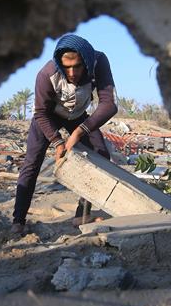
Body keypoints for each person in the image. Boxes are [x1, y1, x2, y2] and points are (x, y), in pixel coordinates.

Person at [11, 33, 118, 235]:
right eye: (66, 67)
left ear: (86, 61)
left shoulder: (98, 62)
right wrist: (57, 141)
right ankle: (18, 219)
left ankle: (82, 214)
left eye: (77, 66)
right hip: (48, 117)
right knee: (32, 163)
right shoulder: (46, 74)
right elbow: (40, 112)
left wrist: (79, 132)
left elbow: (109, 104)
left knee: (100, 154)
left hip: (78, 116)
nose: (72, 72)